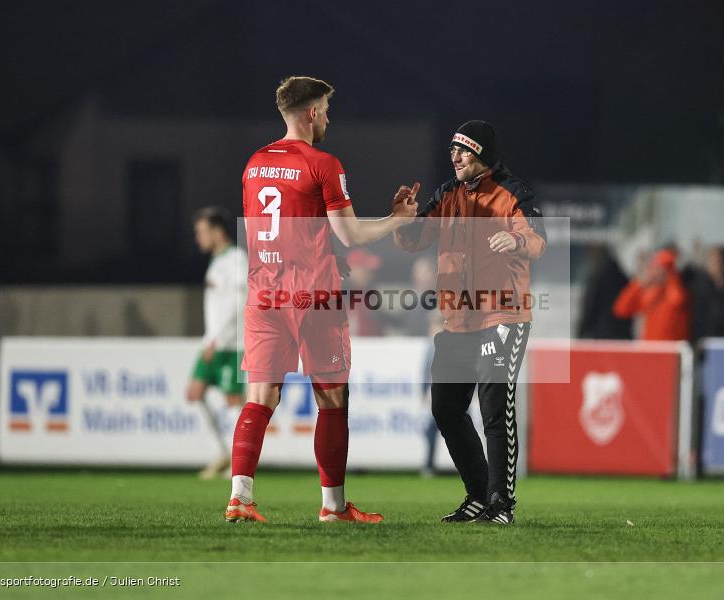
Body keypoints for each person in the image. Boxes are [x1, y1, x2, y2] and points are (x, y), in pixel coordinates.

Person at [226, 76, 418, 524]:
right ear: (312, 112)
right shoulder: (323, 163)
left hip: (264, 295)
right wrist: (397, 219)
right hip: (315, 297)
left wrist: (324, 251)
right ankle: (333, 508)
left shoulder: (255, 164)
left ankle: (240, 497)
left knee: (259, 397)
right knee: (332, 400)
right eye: (327, 109)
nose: (328, 117)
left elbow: (278, 227)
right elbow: (349, 233)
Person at [394, 120, 547, 525]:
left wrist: (516, 240)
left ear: (482, 153)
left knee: (496, 411)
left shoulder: (513, 192)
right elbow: (413, 241)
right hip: (457, 322)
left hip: (503, 316)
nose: (456, 157)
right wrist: (402, 219)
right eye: (453, 151)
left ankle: (501, 504)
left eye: (464, 150)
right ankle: (479, 495)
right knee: (445, 409)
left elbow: (537, 238)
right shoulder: (446, 195)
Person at [186, 206, 247, 479]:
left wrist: (218, 338)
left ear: (217, 231)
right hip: (212, 342)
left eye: (201, 232)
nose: (198, 238)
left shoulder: (236, 259)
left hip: (232, 344)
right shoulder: (217, 261)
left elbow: (239, 303)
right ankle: (223, 451)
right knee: (195, 393)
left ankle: (238, 461)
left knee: (233, 401)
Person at [612, 248, 691, 341]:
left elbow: (678, 301)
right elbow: (621, 309)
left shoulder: (676, 288)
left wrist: (670, 278)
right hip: (651, 347)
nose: (657, 272)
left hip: (672, 348)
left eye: (663, 268)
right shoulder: (648, 292)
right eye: (656, 268)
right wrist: (638, 284)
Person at [577, 244, 632, 339]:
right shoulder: (622, 277)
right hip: (623, 334)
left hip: (602, 334)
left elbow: (590, 306)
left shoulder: (597, 277)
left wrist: (581, 332)